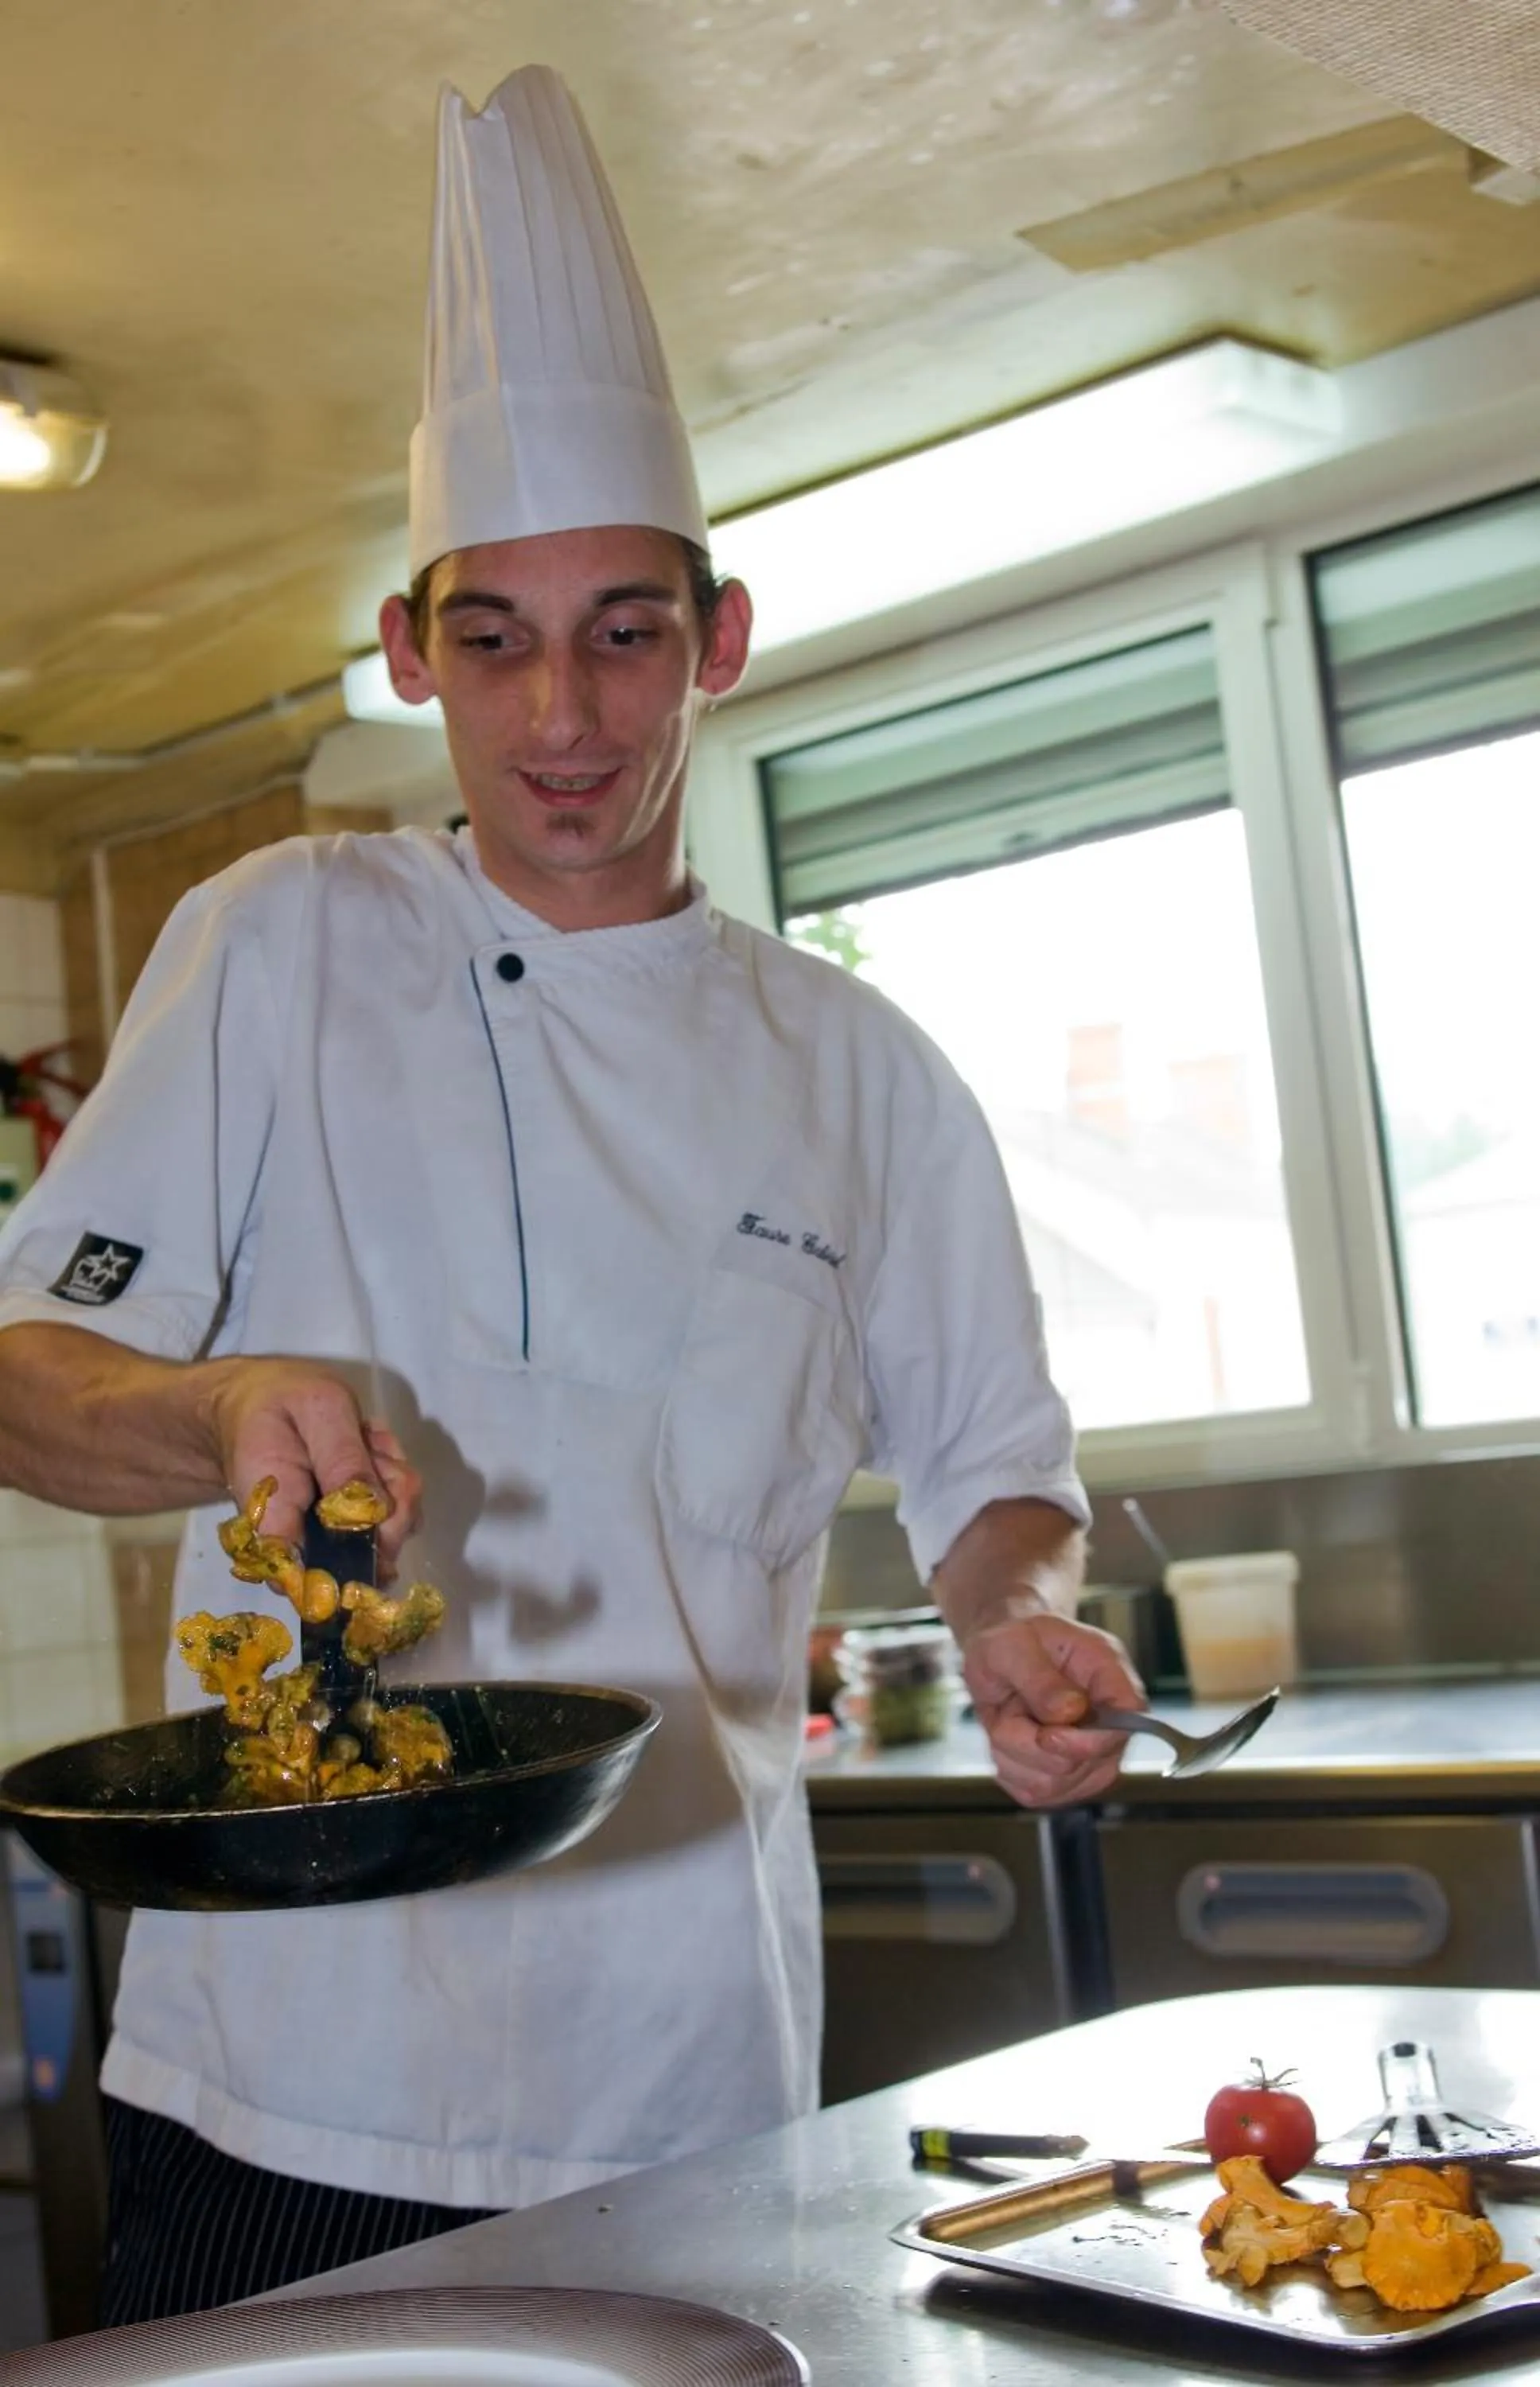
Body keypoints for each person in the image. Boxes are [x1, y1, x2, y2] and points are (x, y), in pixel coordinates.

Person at [0, 65, 1144, 2323]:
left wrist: (1024, 1611)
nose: (563, 720)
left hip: (689, 2072)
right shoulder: (283, 942)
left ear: (717, 641)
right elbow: (29, 1385)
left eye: (626, 631)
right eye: (495, 640)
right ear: (412, 650)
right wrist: (220, 1404)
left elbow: (1002, 1471)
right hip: (277, 2073)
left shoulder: (865, 1075)